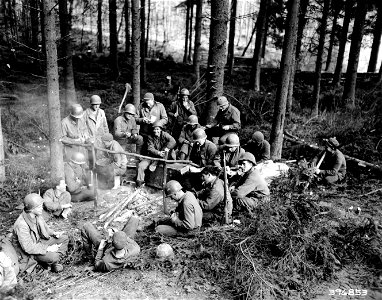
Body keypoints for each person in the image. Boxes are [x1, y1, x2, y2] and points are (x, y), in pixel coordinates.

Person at [11, 194, 69, 273]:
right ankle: (52, 261)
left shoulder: (37, 215)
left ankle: (52, 261)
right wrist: (47, 249)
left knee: (64, 238)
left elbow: (46, 229)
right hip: (31, 252)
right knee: (54, 256)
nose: (42, 208)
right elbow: (28, 248)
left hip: (40, 242)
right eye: (39, 206)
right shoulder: (21, 224)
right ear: (31, 209)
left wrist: (54, 233)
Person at [136, 121, 176, 187]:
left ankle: (156, 162)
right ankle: (140, 184)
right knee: (141, 165)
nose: (156, 131)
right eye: (154, 129)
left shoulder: (164, 134)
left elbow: (173, 141)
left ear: (161, 129)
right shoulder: (150, 137)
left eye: (157, 129)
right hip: (153, 156)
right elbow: (150, 148)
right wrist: (158, 153)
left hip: (165, 155)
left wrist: (166, 148)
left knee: (167, 147)